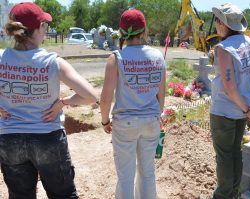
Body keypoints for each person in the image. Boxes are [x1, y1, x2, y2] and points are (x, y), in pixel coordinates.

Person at [0, 2, 97, 199]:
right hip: (48, 138)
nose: (45, 30)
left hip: (10, 139)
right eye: (44, 25)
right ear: (35, 29)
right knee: (62, 195)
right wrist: (63, 102)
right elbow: (90, 96)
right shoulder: (53, 62)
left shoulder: (2, 58)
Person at [100, 8, 166, 199]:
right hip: (151, 121)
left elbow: (106, 98)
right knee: (147, 173)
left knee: (126, 176)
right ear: (144, 31)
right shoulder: (157, 56)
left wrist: (105, 121)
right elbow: (161, 95)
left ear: (121, 32)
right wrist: (157, 116)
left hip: (125, 123)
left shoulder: (116, 58)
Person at [210, 3, 250, 199]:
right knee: (235, 153)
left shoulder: (224, 49)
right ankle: (233, 193)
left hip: (224, 113)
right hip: (242, 112)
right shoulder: (249, 43)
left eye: (217, 20)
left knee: (224, 157)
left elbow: (230, 88)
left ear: (224, 24)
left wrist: (248, 111)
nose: (216, 24)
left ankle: (223, 195)